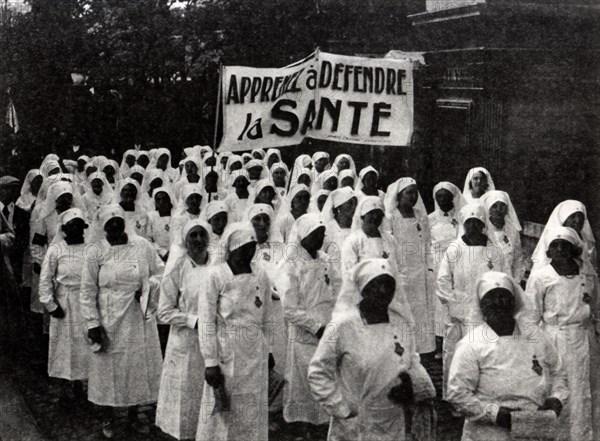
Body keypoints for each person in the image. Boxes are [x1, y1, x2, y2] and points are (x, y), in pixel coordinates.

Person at [309, 259, 434, 441]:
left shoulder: (401, 323)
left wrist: (411, 386)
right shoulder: (342, 326)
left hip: (393, 421)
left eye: (388, 285)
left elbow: (411, 361)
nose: (383, 291)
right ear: (363, 289)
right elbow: (318, 372)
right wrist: (341, 408)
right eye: (376, 285)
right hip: (355, 425)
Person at [448, 271, 568, 441]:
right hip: (489, 432)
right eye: (491, 299)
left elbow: (559, 372)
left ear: (514, 301)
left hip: (533, 427)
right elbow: (457, 394)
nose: (498, 304)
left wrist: (557, 398)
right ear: (482, 306)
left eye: (504, 297)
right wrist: (495, 414)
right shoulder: (471, 344)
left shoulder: (535, 335)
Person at [80, 204, 164, 439]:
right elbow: (87, 291)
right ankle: (108, 415)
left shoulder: (142, 245)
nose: (115, 227)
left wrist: (148, 289)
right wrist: (92, 323)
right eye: (110, 224)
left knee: (135, 364)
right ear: (103, 227)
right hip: (109, 318)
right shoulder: (96, 251)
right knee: (109, 367)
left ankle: (134, 413)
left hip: (137, 316)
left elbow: (160, 271)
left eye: (118, 222)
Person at [195, 227, 274, 441]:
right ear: (233, 248)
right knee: (225, 408)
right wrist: (210, 361)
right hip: (227, 350)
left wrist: (269, 350)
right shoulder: (216, 274)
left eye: (253, 247)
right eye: (244, 248)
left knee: (252, 406)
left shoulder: (260, 273)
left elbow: (266, 315)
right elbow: (206, 319)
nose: (250, 253)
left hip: (255, 351)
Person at [524, 226, 599, 440]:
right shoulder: (541, 277)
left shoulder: (586, 275)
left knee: (585, 392)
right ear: (548, 251)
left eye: (564, 246)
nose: (559, 250)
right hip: (555, 340)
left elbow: (596, 307)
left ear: (573, 249)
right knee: (559, 392)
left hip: (585, 339)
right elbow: (531, 317)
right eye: (554, 246)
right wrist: (535, 351)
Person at [436, 203, 509, 399]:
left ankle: (482, 397)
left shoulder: (494, 250)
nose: (473, 227)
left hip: (486, 315)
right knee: (455, 355)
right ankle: (453, 397)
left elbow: (503, 279)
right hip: (458, 314)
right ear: (464, 224)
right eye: (469, 223)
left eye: (477, 223)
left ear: (483, 224)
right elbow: (443, 280)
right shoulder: (454, 249)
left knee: (483, 356)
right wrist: (454, 306)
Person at [277, 214, 339, 433]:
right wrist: (315, 327)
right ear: (303, 235)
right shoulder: (291, 264)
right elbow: (289, 308)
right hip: (305, 333)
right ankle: (300, 426)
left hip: (329, 328)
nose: (320, 238)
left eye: (322, 234)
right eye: (315, 234)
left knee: (326, 378)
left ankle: (324, 424)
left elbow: (338, 290)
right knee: (303, 382)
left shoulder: (326, 260)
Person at [156, 219, 212, 440]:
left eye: (202, 235)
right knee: (185, 396)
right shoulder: (177, 267)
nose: (198, 240)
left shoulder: (217, 265)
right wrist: (193, 320)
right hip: (185, 341)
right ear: (185, 240)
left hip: (212, 341)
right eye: (193, 235)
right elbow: (164, 311)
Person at [38, 208, 89, 402]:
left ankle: (80, 385)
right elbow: (45, 279)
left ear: (84, 227)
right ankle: (63, 388)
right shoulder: (56, 249)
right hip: (64, 303)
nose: (75, 228)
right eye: (71, 225)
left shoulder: (91, 248)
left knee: (84, 345)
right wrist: (51, 305)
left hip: (85, 302)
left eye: (78, 225)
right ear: (65, 228)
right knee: (64, 347)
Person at [384, 178, 436, 354]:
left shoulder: (421, 217)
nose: (413, 196)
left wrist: (429, 268)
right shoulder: (391, 218)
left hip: (421, 275)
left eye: (415, 192)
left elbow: (428, 243)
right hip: (402, 274)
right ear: (399, 195)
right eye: (408, 192)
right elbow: (388, 247)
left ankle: (421, 353)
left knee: (421, 317)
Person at [428, 182, 465, 353]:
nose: (443, 200)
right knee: (438, 303)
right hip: (436, 264)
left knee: (453, 300)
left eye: (446, 196)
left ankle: (454, 339)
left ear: (453, 197)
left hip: (456, 262)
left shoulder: (461, 217)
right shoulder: (430, 219)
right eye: (439, 197)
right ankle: (437, 340)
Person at [531, 200, 597, 275]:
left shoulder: (587, 243)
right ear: (563, 218)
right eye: (572, 216)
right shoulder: (553, 242)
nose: (577, 220)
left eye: (580, 216)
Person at [340, 196, 397, 278]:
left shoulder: (390, 239)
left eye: (379, 214)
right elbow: (349, 274)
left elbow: (399, 268)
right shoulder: (352, 241)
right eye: (371, 213)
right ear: (363, 216)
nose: (375, 217)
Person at [480, 190, 524, 280]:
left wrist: (516, 282)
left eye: (502, 206)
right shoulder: (482, 230)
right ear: (489, 209)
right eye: (494, 206)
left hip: (507, 281)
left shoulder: (512, 230)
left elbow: (518, 259)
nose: (498, 210)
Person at [321, 187, 358, 273]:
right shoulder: (327, 230)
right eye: (350, 203)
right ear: (339, 207)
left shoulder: (358, 228)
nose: (354, 207)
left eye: (355, 203)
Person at [147, 187, 176, 261]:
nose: (161, 202)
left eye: (164, 199)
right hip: (159, 257)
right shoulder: (151, 217)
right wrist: (163, 252)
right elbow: (148, 240)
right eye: (158, 200)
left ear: (170, 200)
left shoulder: (177, 216)